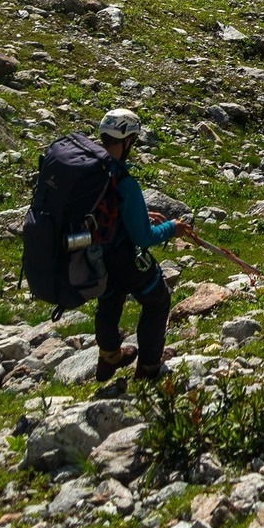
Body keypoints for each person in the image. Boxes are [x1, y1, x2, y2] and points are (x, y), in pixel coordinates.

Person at [93, 108, 191, 384]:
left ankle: (109, 355)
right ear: (126, 141)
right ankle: (148, 366)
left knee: (109, 300)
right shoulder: (125, 182)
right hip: (123, 258)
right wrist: (173, 228)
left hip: (96, 256)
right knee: (158, 299)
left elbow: (104, 211)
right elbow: (143, 237)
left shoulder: (93, 171)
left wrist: (140, 214)